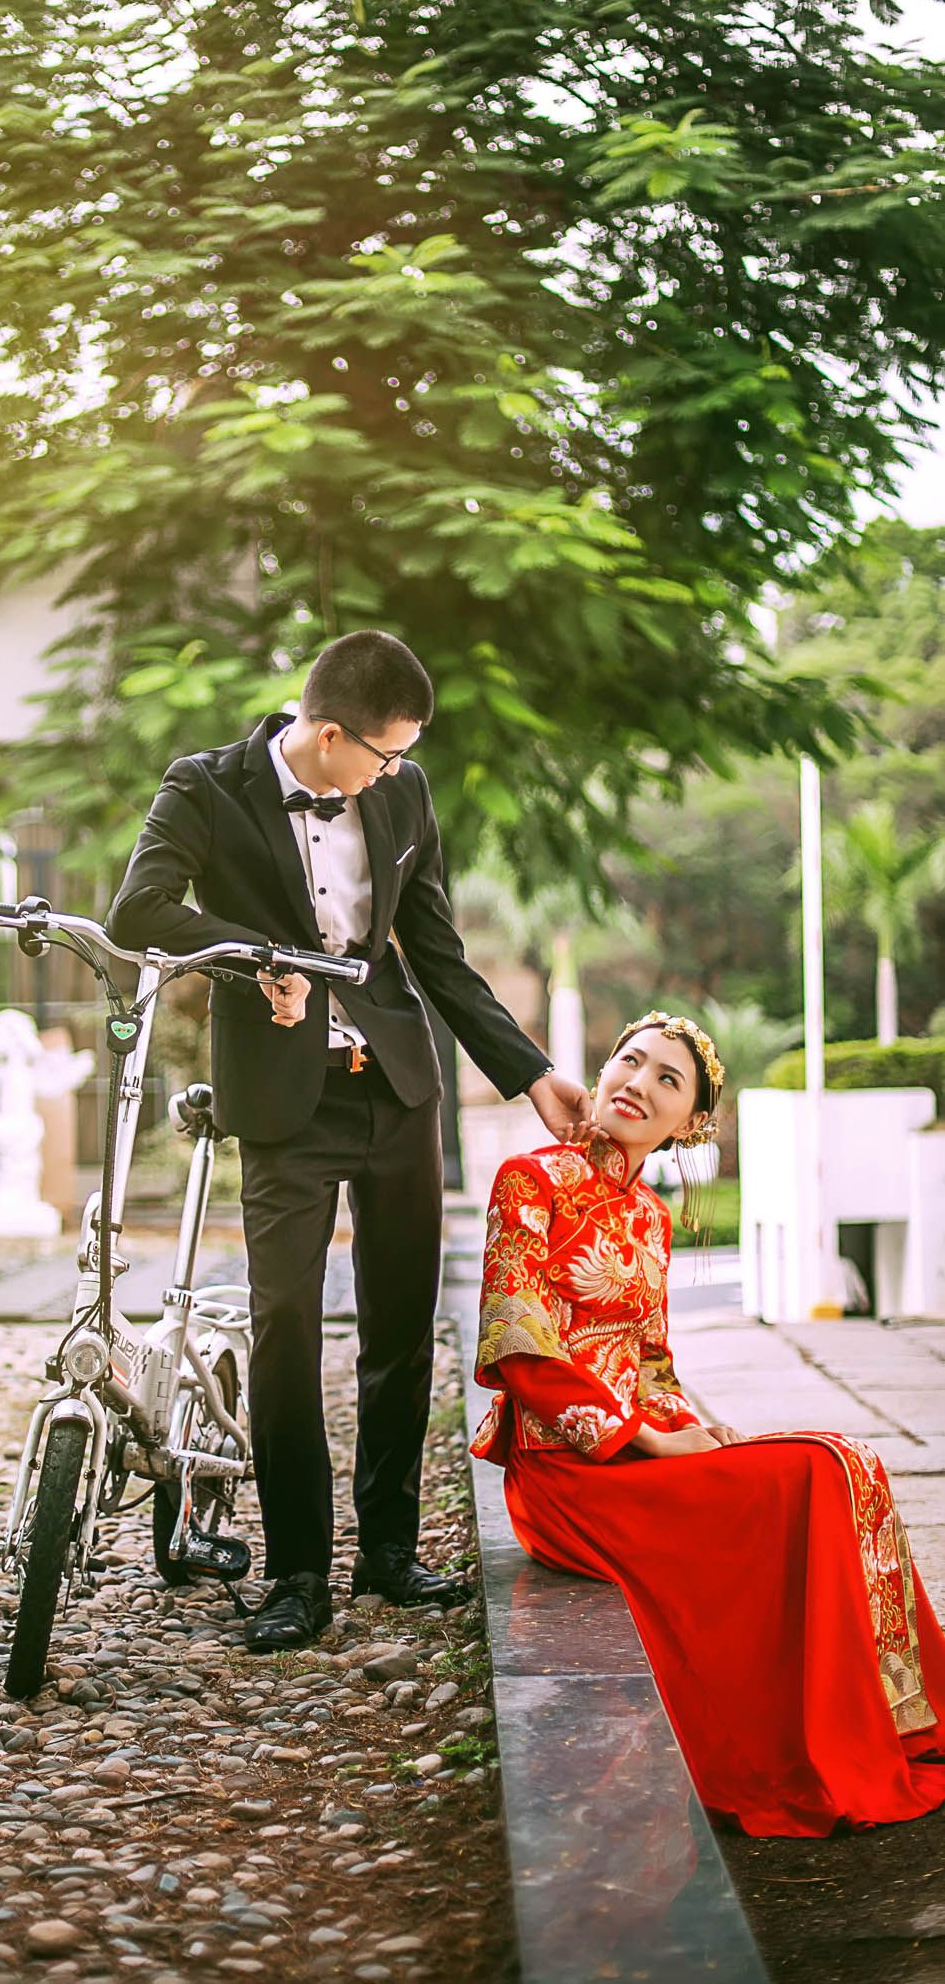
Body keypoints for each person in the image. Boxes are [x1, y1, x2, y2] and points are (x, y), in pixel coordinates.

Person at [106, 629, 594, 1653]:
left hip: (397, 1089)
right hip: (284, 1099)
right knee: (286, 1325)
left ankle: (388, 1551)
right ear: (329, 736)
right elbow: (139, 910)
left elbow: (441, 956)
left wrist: (531, 1073)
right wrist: (259, 961)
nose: (397, 771)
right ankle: (296, 1573)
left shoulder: (403, 796)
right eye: (386, 752)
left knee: (401, 1325)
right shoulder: (204, 786)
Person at [473, 1008, 945, 1837]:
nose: (637, 1083)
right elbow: (519, 1346)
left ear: (690, 1123)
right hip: (568, 1475)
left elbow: (653, 1367)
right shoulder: (529, 1180)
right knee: (815, 1470)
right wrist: (647, 1438)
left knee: (845, 1461)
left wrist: (692, 1430)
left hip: (634, 1457)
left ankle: (890, 1720)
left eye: (667, 1079)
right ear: (603, 1070)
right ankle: (831, 1736)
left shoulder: (650, 1219)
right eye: (629, 1061)